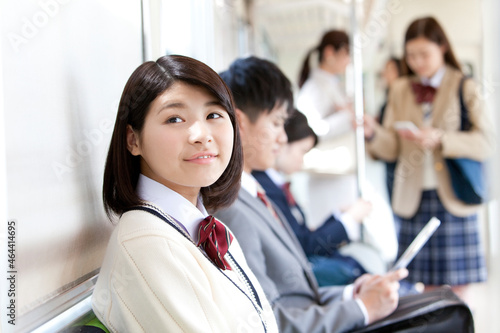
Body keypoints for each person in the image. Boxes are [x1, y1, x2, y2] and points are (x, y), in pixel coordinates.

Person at [215, 56, 408, 332]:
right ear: (241, 123)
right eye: (276, 123)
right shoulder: (232, 210)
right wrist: (362, 308)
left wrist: (352, 294)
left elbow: (296, 294)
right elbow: (269, 321)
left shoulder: (253, 193)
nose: (283, 138)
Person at [91, 55, 278, 332]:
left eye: (213, 115)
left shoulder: (205, 229)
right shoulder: (148, 241)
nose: (200, 134)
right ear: (134, 140)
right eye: (175, 118)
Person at [362, 17, 494, 298]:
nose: (417, 62)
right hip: (414, 197)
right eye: (411, 56)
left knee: (458, 287)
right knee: (424, 286)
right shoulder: (399, 90)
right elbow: (391, 149)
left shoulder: (464, 85)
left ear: (442, 47)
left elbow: (487, 142)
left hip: (453, 197)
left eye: (424, 54)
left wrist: (443, 139)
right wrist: (373, 133)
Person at [252, 109, 374, 286]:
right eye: (302, 151)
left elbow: (303, 235)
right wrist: (349, 219)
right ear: (282, 143)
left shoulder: (275, 184)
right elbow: (305, 246)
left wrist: (339, 217)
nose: (302, 160)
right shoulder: (265, 188)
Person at [297, 29, 352, 139]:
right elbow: (312, 129)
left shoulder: (330, 83)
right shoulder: (315, 87)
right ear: (329, 53)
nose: (348, 60)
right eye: (345, 54)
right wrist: (347, 116)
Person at [377, 57, 404, 203]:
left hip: (401, 160)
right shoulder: (387, 98)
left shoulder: (405, 98)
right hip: (388, 159)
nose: (385, 74)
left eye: (390, 70)